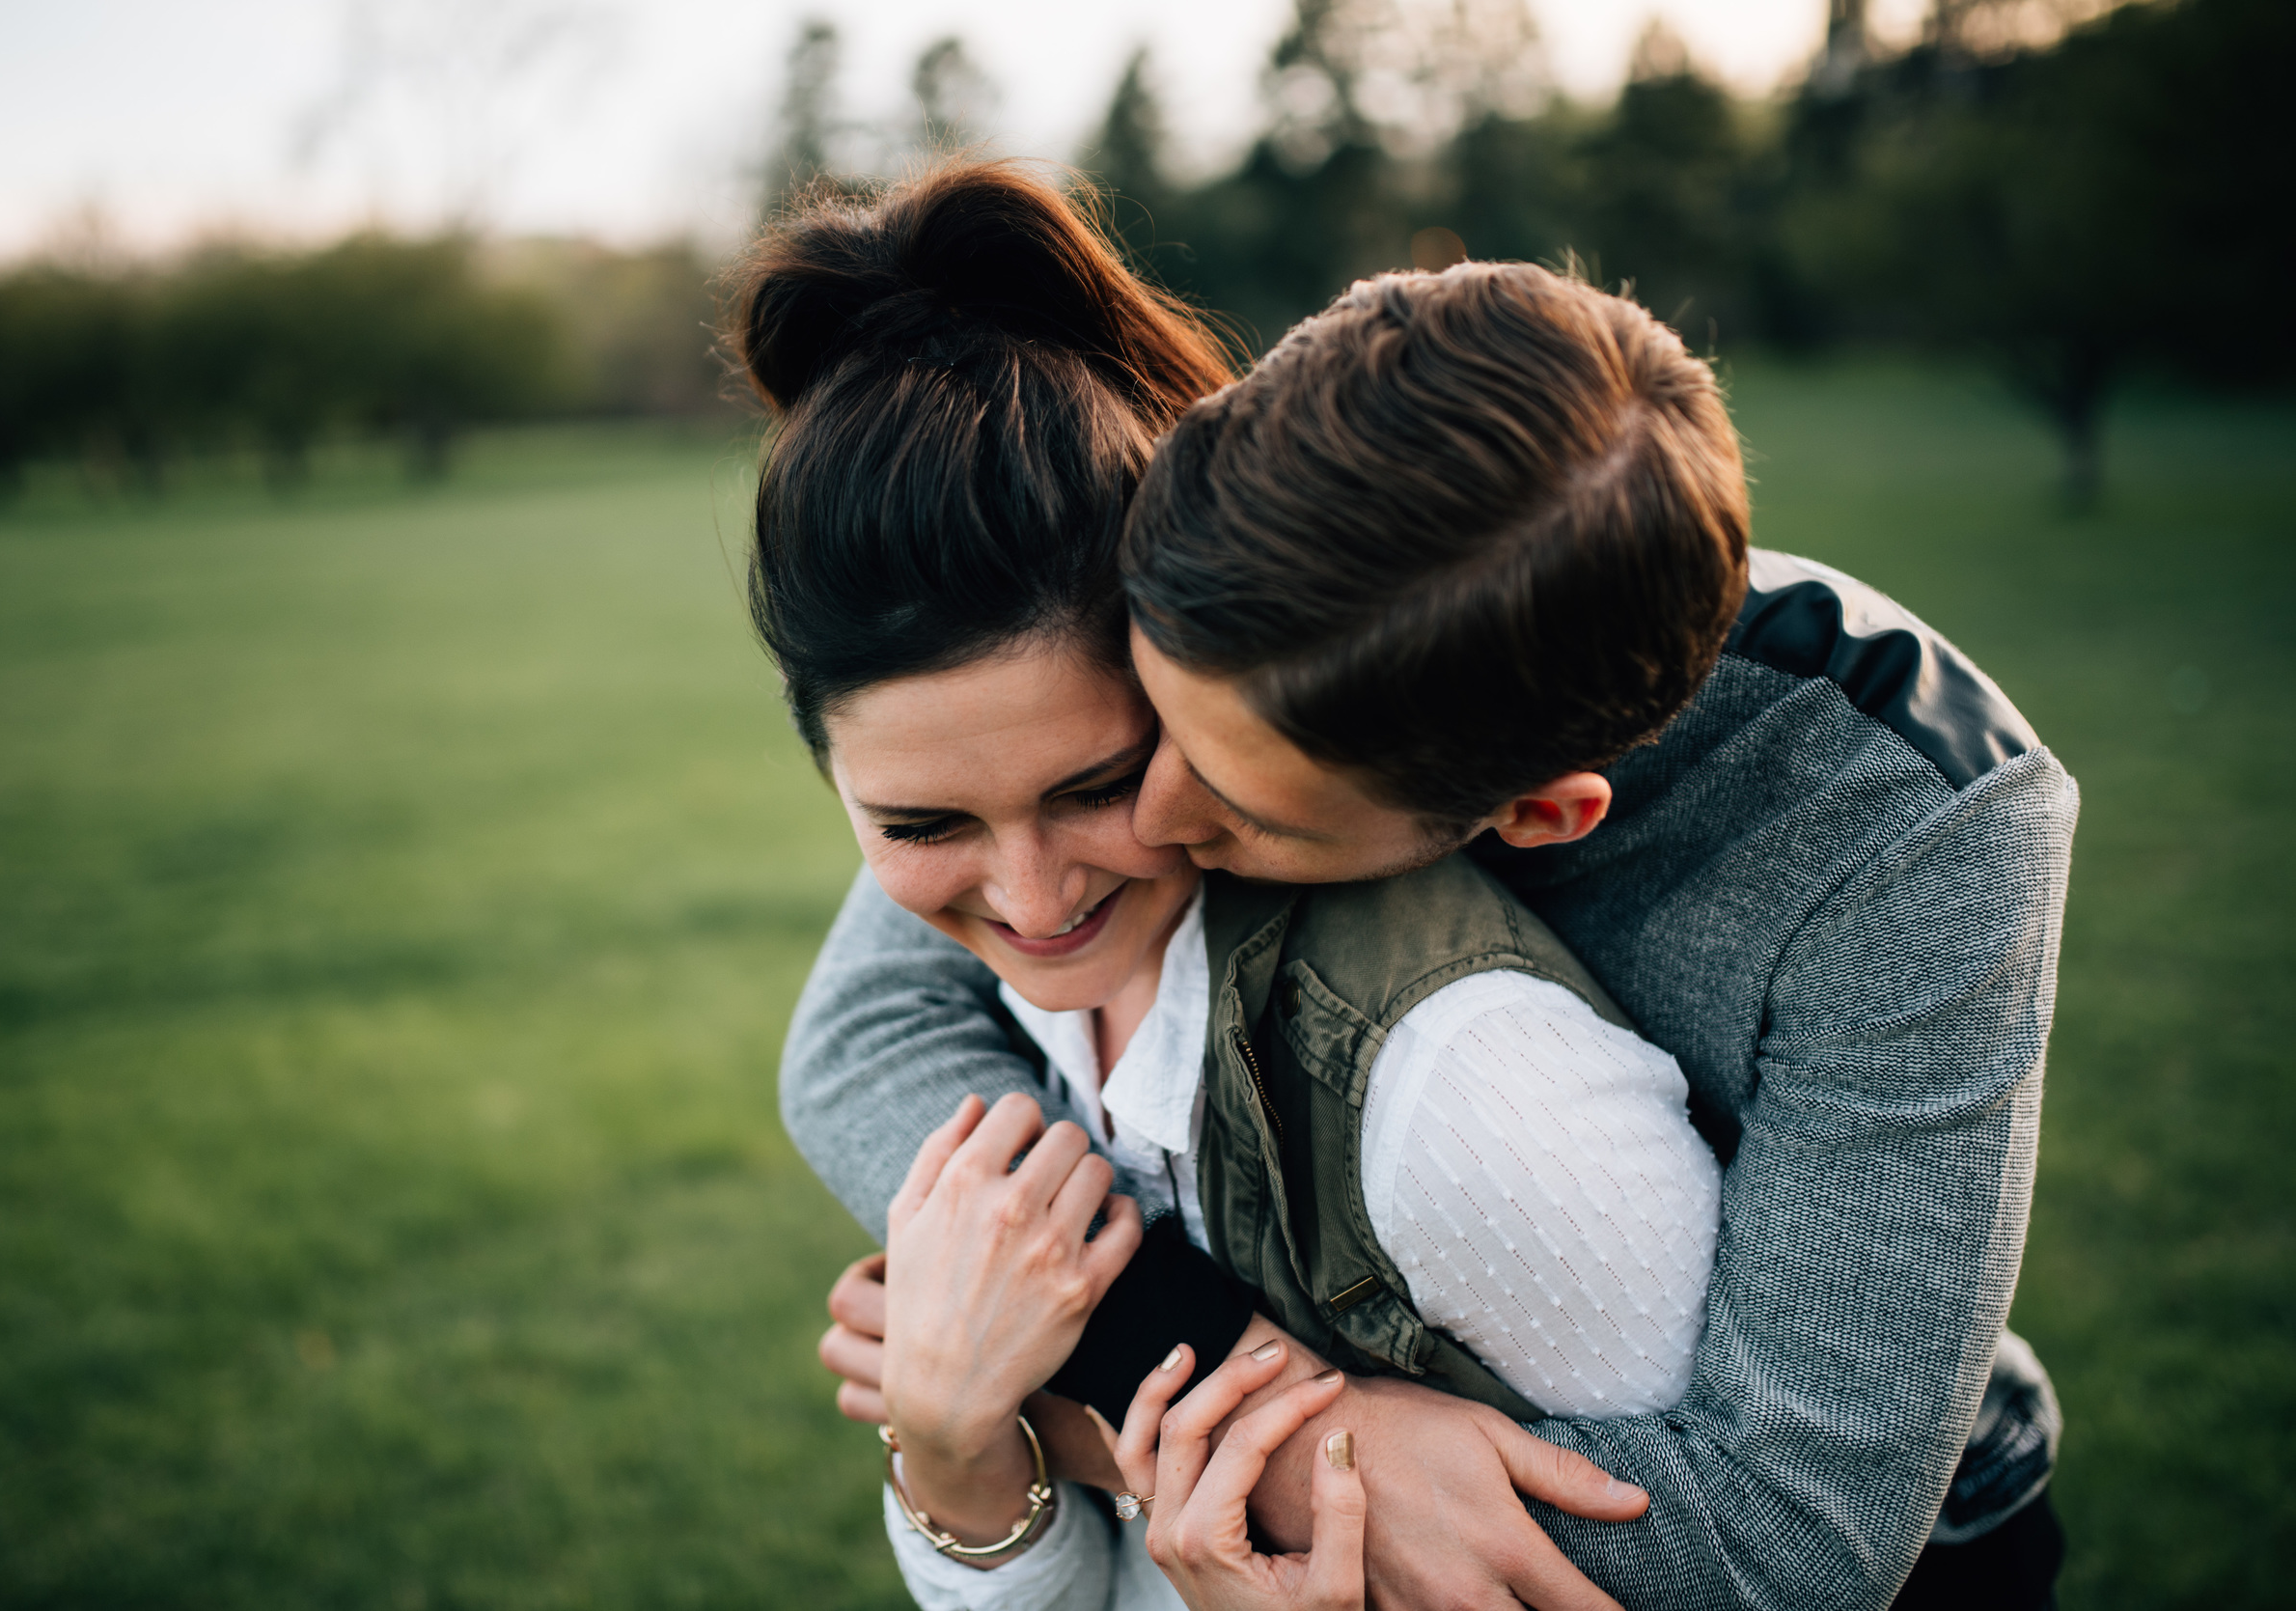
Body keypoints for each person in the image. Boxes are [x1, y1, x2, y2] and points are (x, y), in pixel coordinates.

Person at [786, 189, 2077, 1605]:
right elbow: (862, 1040)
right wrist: (1203, 1375)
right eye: (1147, 734)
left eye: (1231, 801)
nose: (1148, 823)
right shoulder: (1261, 531)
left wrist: (1143, 1429)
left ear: (1531, 816)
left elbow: (1787, 1546)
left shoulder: (1915, 832)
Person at [726, 160, 1733, 1611]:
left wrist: (1109, 1426)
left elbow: (1715, 1568)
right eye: (921, 817)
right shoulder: (1032, 1011)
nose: (1029, 899)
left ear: (1192, 680)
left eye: (1093, 784)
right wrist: (957, 1446)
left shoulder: (1470, 1107)